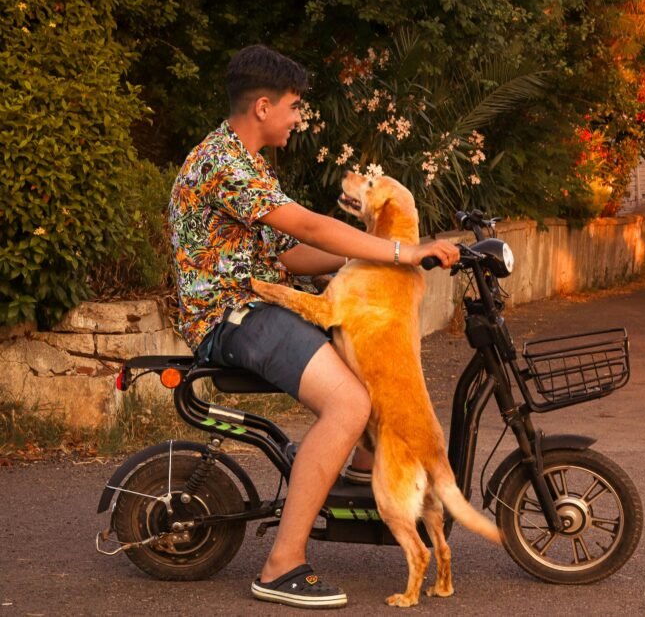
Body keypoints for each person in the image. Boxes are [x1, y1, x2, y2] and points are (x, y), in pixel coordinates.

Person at [168, 44, 459, 609]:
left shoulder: (247, 163)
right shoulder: (223, 162)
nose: (298, 118)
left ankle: (368, 467)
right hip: (233, 315)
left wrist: (379, 256)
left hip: (257, 304)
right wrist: (401, 250)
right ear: (263, 106)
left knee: (370, 354)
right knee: (348, 403)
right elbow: (310, 227)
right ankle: (282, 564)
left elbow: (291, 253)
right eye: (294, 106)